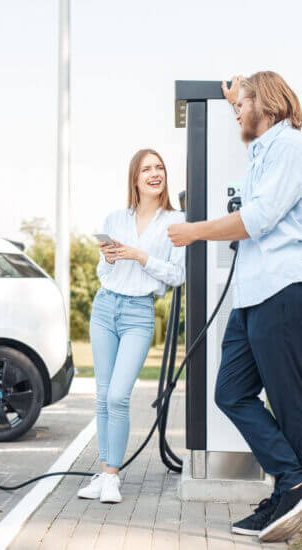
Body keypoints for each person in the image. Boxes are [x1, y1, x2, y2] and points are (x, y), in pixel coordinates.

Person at [169, 71, 302, 543]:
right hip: (250, 295)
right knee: (230, 392)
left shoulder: (290, 148)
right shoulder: (262, 152)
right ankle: (293, 481)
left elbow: (260, 218)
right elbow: (252, 203)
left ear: (266, 101)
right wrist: (234, 98)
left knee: (289, 403)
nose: (237, 111)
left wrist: (196, 230)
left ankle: (291, 494)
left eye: (242, 104)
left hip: (281, 290)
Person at [78, 149, 185, 503]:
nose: (155, 174)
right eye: (147, 169)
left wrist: (140, 255)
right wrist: (108, 258)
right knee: (103, 397)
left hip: (140, 311)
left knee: (119, 396)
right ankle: (106, 470)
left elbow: (176, 275)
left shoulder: (176, 221)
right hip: (106, 307)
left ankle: (111, 477)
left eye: (159, 168)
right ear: (135, 178)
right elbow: (103, 273)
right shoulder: (115, 218)